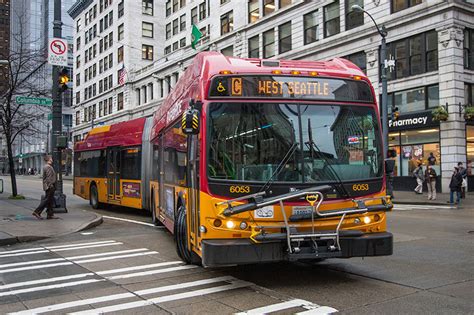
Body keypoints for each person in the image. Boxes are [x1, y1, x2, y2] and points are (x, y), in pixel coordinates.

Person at [32, 155, 58, 220]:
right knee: (46, 200)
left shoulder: (47, 166)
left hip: (48, 186)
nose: (52, 159)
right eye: (51, 158)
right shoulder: (48, 167)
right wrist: (51, 185)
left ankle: (50, 214)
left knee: (50, 200)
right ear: (49, 159)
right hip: (50, 186)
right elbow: (49, 178)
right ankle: (37, 212)